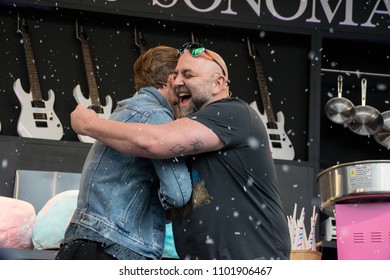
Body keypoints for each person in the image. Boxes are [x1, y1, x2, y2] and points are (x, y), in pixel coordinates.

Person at [70, 43, 291, 260]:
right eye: (174, 75)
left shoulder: (233, 112)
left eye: (188, 75)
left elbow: (156, 140)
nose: (176, 82)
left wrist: (90, 125)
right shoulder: (197, 133)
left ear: (218, 83)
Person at [55, 45, 192, 260]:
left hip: (84, 241)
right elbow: (178, 193)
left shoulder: (125, 111)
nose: (187, 87)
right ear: (171, 79)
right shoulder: (156, 117)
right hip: (116, 246)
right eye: (185, 76)